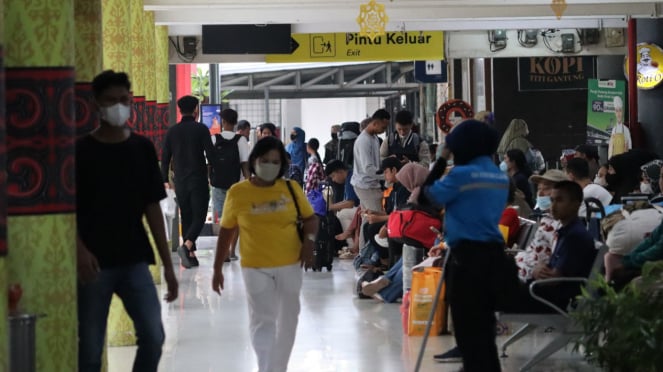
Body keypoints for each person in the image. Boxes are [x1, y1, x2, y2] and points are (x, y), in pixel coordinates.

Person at [77, 70, 178, 372]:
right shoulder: (81, 151)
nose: (118, 106)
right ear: (96, 104)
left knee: (153, 335)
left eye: (123, 99)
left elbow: (153, 209)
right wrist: (79, 251)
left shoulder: (142, 148)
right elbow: (67, 211)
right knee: (91, 350)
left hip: (134, 258)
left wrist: (168, 266)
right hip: (94, 263)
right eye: (111, 100)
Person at [212, 137, 318, 372]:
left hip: (290, 263)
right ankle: (266, 368)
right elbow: (227, 231)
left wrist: (308, 244)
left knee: (289, 319)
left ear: (282, 165)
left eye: (275, 161)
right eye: (264, 160)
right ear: (253, 161)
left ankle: (277, 368)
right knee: (263, 319)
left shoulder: (290, 189)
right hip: (255, 266)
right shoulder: (238, 192)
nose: (269, 165)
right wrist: (217, 267)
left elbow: (310, 219)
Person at [422, 119, 509, 372]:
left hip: (466, 258)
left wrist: (440, 160)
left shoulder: (461, 175)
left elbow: (428, 196)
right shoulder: (498, 175)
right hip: (494, 256)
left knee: (467, 325)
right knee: (484, 324)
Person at [506, 181, 597, 313]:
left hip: (546, 299)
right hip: (541, 293)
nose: (553, 206)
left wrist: (537, 271)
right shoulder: (566, 231)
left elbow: (553, 278)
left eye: (559, 200)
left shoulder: (574, 236)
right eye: (552, 200)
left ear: (576, 203)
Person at [161, 95, 216, 268]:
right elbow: (211, 154)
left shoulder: (172, 131)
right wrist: (213, 171)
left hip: (180, 181)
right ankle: (186, 246)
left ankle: (190, 254)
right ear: (195, 111)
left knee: (186, 215)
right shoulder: (201, 129)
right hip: (198, 178)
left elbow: (164, 159)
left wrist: (165, 180)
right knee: (199, 215)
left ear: (179, 111)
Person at [210, 108, 251, 262]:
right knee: (236, 219)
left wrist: (210, 179)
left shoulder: (214, 139)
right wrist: (248, 183)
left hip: (218, 184)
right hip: (237, 186)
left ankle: (224, 251)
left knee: (222, 219)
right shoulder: (241, 140)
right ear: (235, 123)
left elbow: (209, 164)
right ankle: (232, 250)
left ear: (223, 122)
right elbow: (245, 165)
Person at [514, 170, 567, 282]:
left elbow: (544, 265)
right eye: (539, 189)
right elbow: (531, 254)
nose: (540, 194)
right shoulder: (546, 220)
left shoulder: (562, 226)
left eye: (546, 188)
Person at [351, 110, 390, 213]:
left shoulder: (374, 138)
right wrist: (386, 176)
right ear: (375, 123)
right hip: (366, 185)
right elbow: (368, 168)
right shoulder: (364, 141)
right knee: (376, 218)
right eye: (383, 128)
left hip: (370, 184)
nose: (384, 130)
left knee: (367, 218)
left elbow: (376, 162)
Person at [325, 160, 361, 249]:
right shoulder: (349, 177)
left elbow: (350, 203)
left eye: (333, 176)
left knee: (343, 214)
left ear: (339, 171)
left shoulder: (351, 178)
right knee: (340, 212)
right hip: (359, 208)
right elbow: (347, 201)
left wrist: (332, 206)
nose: (333, 180)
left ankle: (351, 246)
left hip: (362, 208)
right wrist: (333, 207)